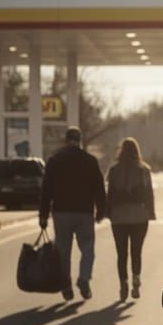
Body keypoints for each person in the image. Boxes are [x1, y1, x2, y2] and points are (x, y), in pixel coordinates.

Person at [38, 126, 106, 301]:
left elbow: (46, 190)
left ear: (66, 140)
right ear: (80, 141)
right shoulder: (90, 161)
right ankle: (84, 279)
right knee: (87, 248)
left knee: (63, 251)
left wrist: (43, 215)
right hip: (84, 212)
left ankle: (66, 285)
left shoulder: (54, 160)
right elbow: (99, 188)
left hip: (61, 212)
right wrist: (101, 210)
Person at [106, 137, 157, 301]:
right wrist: (151, 212)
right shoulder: (144, 170)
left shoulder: (114, 170)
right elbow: (149, 193)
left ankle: (123, 283)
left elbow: (110, 194)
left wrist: (107, 212)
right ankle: (136, 278)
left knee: (121, 253)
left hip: (119, 217)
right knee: (136, 251)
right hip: (139, 216)